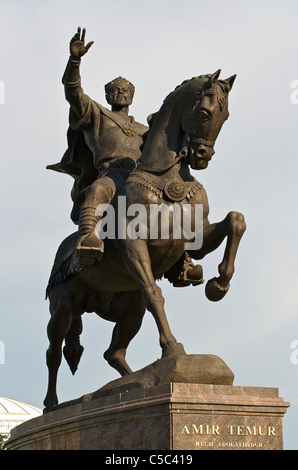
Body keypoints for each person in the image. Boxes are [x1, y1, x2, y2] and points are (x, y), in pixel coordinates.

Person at [47, 27, 203, 286]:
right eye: (115, 90)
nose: (121, 93)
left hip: (141, 179)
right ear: (108, 95)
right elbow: (72, 92)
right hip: (112, 174)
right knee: (98, 190)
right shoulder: (96, 114)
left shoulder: (145, 130)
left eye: (125, 90)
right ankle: (88, 238)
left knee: (175, 202)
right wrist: (75, 61)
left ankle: (181, 261)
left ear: (132, 95)